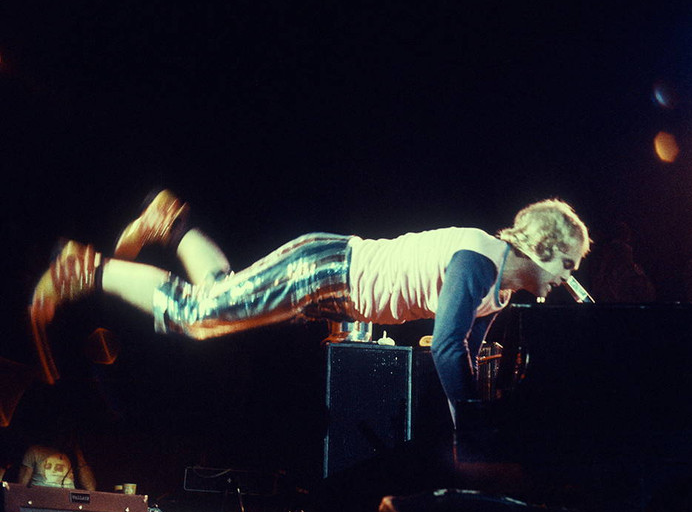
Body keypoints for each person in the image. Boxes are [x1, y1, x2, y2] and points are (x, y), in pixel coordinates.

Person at [29, 191, 591, 419]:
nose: (568, 278)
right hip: (326, 272)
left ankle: (171, 224)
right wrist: (473, 423)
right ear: (543, 251)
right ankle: (85, 269)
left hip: (333, 286)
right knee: (196, 315)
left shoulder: (500, 288)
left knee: (218, 292)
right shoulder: (479, 262)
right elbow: (447, 350)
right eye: (567, 264)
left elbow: (456, 349)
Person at [17, 416, 97, 490]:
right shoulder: (35, 451)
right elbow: (21, 486)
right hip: (40, 497)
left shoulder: (72, 455)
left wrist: (78, 454)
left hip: (66, 499)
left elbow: (90, 488)